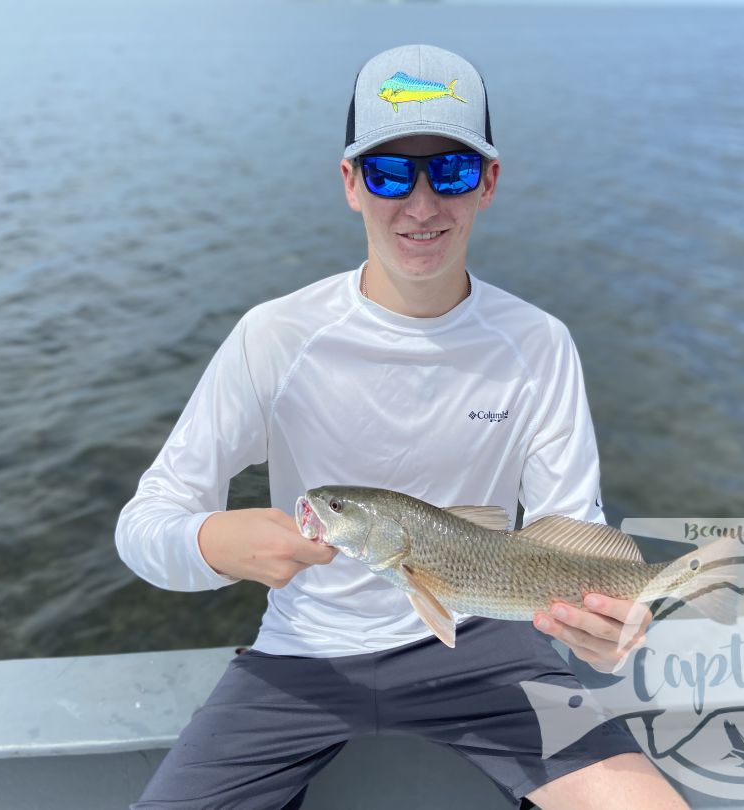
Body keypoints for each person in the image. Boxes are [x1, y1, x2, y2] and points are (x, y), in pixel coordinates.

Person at [116, 44, 689, 810]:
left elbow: (568, 530)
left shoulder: (539, 343)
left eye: (449, 172)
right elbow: (143, 522)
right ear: (351, 184)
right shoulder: (275, 336)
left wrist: (607, 631)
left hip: (491, 642)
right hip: (303, 653)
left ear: (487, 183)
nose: (421, 206)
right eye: (390, 174)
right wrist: (215, 546)